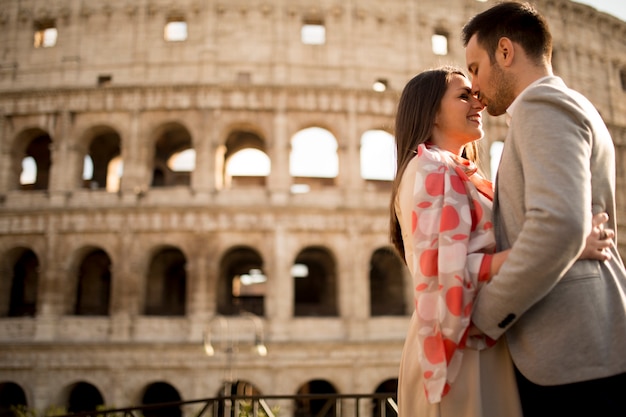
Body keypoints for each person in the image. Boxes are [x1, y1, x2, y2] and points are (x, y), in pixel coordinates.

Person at [389, 66, 612, 417]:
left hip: (478, 334)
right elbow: (453, 271)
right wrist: (566, 247)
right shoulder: (430, 169)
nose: (477, 102)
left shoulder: (454, 170)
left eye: (475, 93)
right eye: (463, 95)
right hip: (458, 345)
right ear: (430, 111)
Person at [461, 2, 626, 416]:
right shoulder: (570, 103)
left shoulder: (541, 106)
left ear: (505, 52)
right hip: (584, 345)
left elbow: (558, 226)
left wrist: (483, 314)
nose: (474, 86)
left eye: (476, 68)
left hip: (568, 352)